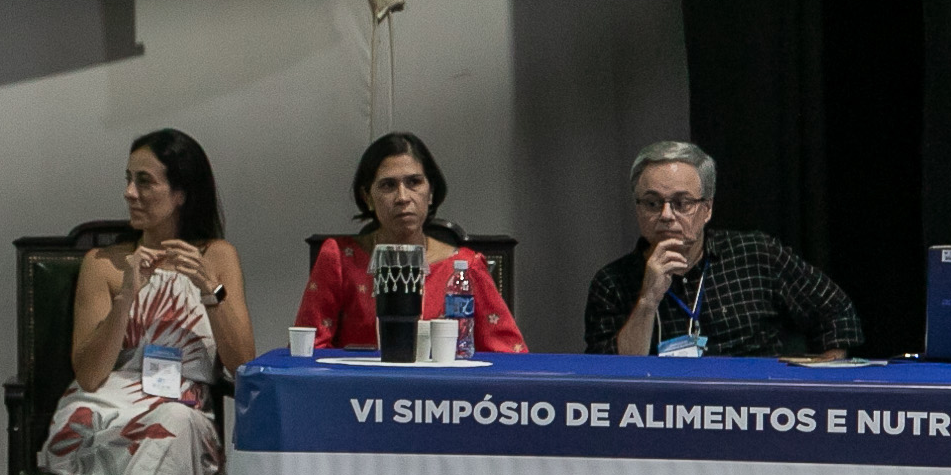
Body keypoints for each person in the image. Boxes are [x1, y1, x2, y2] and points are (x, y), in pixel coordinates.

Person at [47, 130, 254, 475]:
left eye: (145, 181)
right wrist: (126, 296)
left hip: (179, 412)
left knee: (175, 428)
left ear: (181, 192)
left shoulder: (218, 257)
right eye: (128, 180)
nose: (130, 193)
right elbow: (90, 373)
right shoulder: (103, 263)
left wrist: (210, 290)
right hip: (107, 412)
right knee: (170, 437)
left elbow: (242, 365)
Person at [584, 140, 864, 358]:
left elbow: (837, 312)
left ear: (707, 209)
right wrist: (647, 301)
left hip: (752, 407)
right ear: (638, 209)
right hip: (663, 410)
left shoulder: (756, 255)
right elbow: (608, 376)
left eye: (682, 203)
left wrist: (819, 384)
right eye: (652, 203)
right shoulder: (612, 283)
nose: (666, 215)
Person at [292, 131, 528, 353]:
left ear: (431, 191)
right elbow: (306, 351)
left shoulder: (466, 266)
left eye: (414, 182)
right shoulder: (340, 259)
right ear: (368, 197)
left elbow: (511, 357)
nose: (403, 197)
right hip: (359, 384)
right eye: (388, 185)